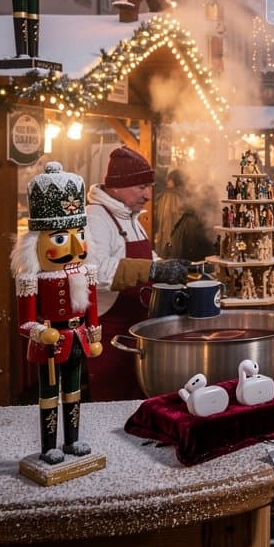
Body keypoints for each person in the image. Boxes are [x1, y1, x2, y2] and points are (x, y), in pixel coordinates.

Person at [12, 161, 103, 464]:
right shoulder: (31, 280)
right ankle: (50, 444)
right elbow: (24, 322)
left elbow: (91, 310)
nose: (75, 245)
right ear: (35, 245)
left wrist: (93, 335)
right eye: (61, 238)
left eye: (79, 234)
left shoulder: (84, 273)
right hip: (50, 344)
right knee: (49, 395)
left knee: (74, 392)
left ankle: (72, 441)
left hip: (75, 339)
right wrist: (41, 332)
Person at [85, 146, 188, 401]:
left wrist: (169, 266)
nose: (148, 195)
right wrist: (152, 269)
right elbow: (94, 271)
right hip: (110, 334)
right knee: (112, 402)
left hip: (137, 328)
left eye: (149, 186)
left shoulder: (130, 217)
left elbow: (145, 258)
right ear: (118, 186)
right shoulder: (95, 218)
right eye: (141, 187)